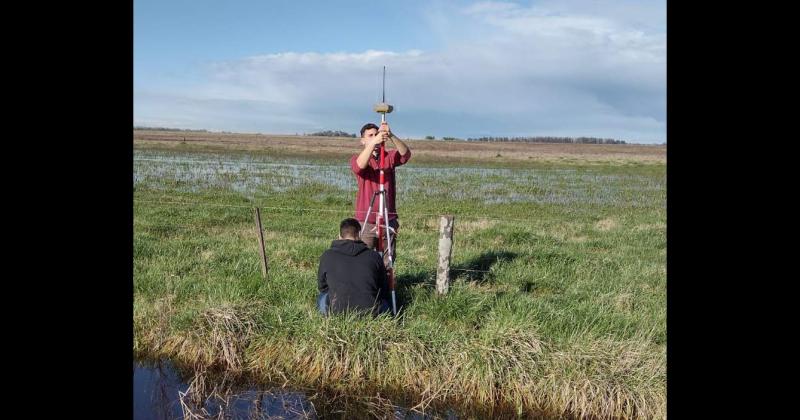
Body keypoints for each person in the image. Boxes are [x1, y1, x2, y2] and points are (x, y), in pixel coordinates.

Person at [350, 121, 412, 266]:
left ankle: (385, 287)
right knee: (363, 260)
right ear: (363, 140)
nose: (374, 137)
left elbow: (406, 154)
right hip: (366, 220)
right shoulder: (357, 158)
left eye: (376, 134)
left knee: (387, 261)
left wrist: (391, 135)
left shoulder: (388, 157)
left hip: (387, 219)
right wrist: (373, 143)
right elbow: (359, 166)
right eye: (370, 136)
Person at [317, 218, 391, 317]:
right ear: (359, 235)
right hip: (372, 312)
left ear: (339, 235)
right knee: (387, 301)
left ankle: (328, 315)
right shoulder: (374, 256)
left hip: (336, 310)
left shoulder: (327, 255)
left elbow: (322, 287)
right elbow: (383, 288)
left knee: (322, 297)